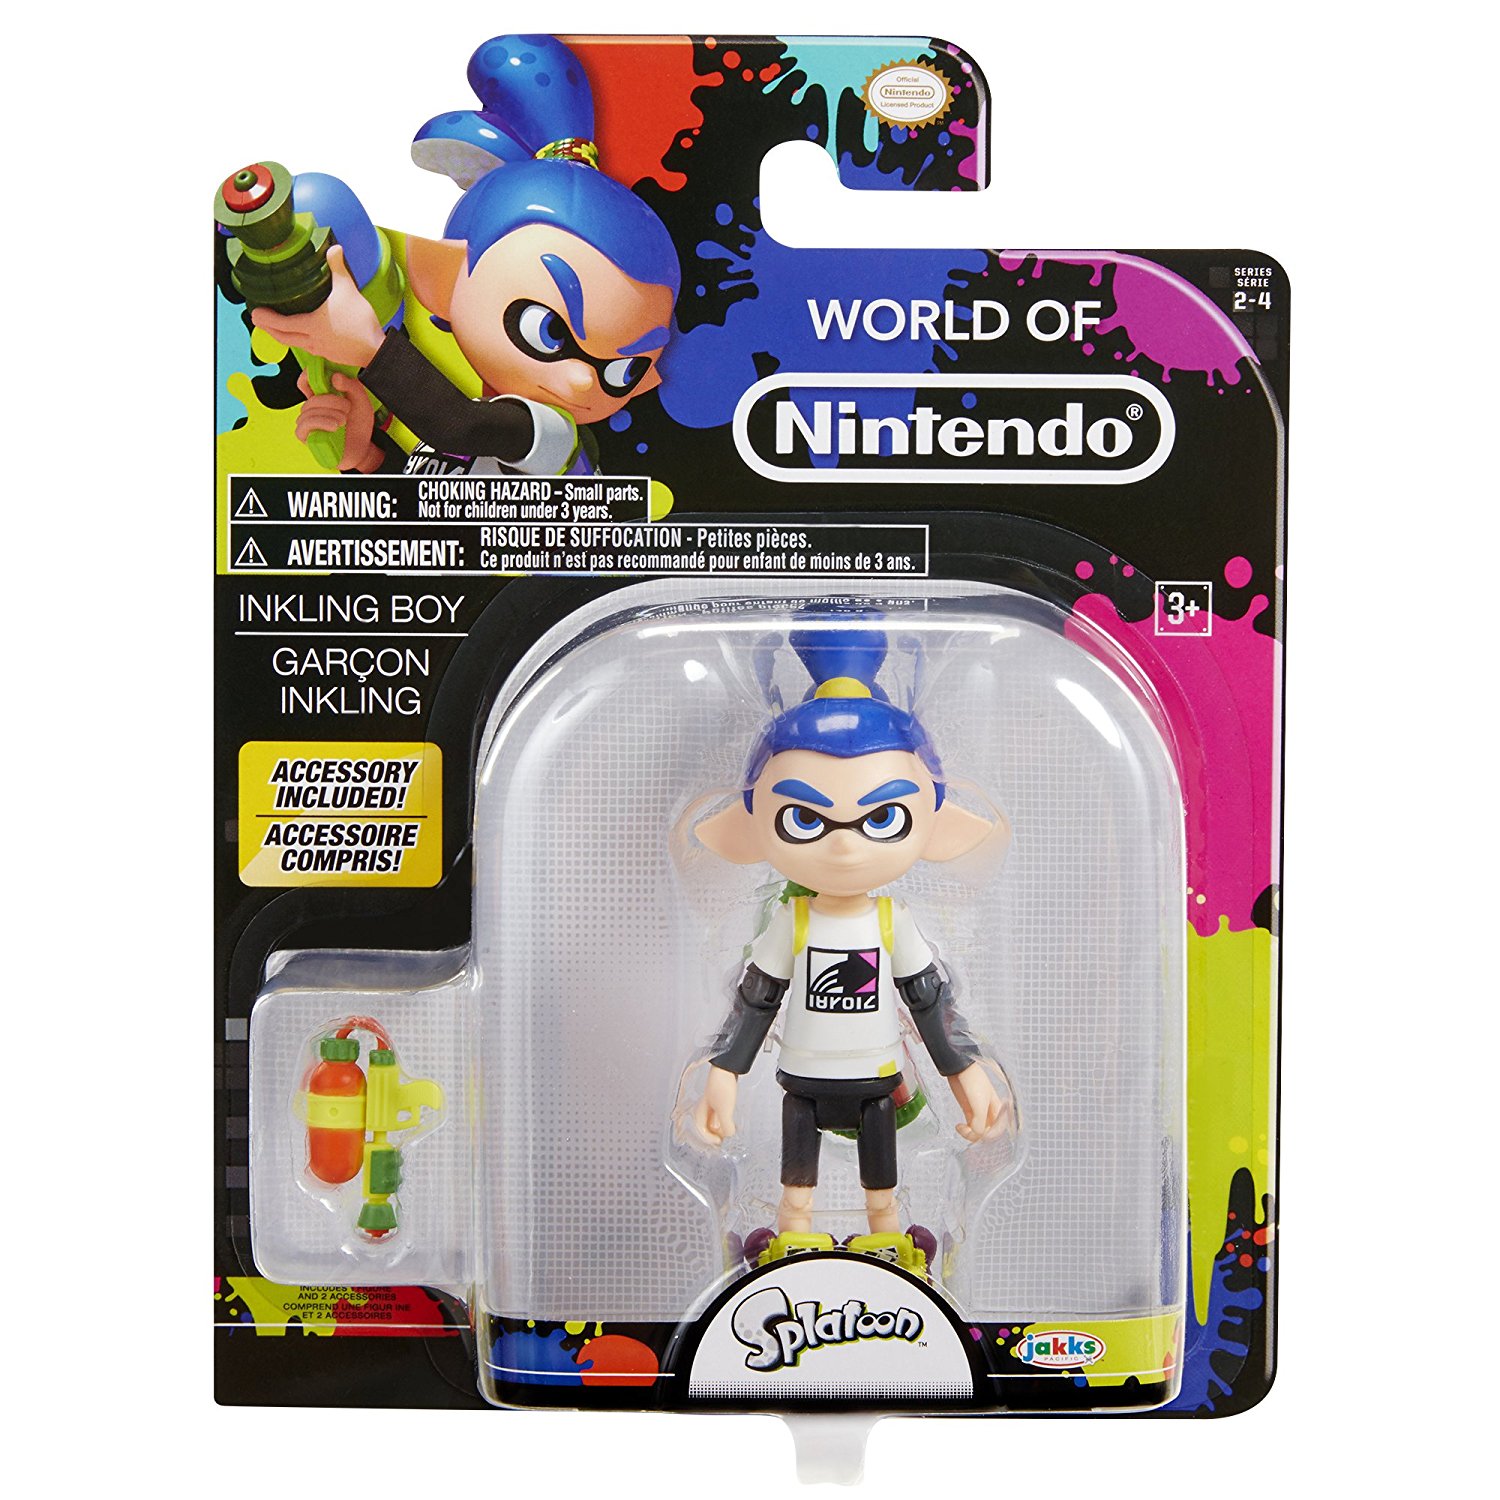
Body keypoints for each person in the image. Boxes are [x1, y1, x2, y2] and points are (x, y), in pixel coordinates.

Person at [692, 621, 1010, 1244]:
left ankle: (886, 1241)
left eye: (883, 818)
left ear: (935, 822)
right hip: (802, 1077)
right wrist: (724, 1072)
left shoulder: (890, 923)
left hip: (876, 1075)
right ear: (750, 824)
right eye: (804, 819)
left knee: (881, 1184)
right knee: (796, 1182)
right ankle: (793, 1240)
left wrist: (965, 1072)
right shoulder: (794, 921)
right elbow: (756, 999)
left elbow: (929, 1001)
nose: (845, 846)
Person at [249, 34, 679, 477]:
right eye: (549, 331)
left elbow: (460, 427)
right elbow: (429, 506)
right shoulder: (463, 427)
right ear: (440, 275)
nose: (582, 380)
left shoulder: (551, 435)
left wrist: (371, 348)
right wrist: (365, 457)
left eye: (624, 369)